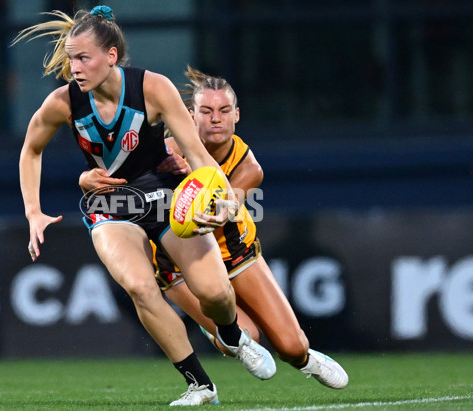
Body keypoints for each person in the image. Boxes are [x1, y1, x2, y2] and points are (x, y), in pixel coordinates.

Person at [14, 6, 275, 406]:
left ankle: (232, 334)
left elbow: (198, 156)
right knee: (139, 286)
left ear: (112, 56)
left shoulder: (152, 88)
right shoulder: (63, 102)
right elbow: (31, 150)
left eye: (83, 57)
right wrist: (33, 210)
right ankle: (200, 385)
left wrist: (223, 203)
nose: (75, 67)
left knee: (216, 294)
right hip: (110, 205)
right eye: (71, 58)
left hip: (167, 197)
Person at [81, 66, 349, 390]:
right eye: (206, 111)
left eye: (224, 110)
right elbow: (115, 181)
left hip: (235, 255)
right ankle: (224, 333)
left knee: (292, 347)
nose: (215, 119)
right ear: (190, 115)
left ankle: (306, 359)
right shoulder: (162, 152)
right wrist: (86, 179)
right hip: (180, 266)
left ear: (237, 115)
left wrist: (198, 187)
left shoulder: (248, 167)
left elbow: (226, 206)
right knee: (244, 336)